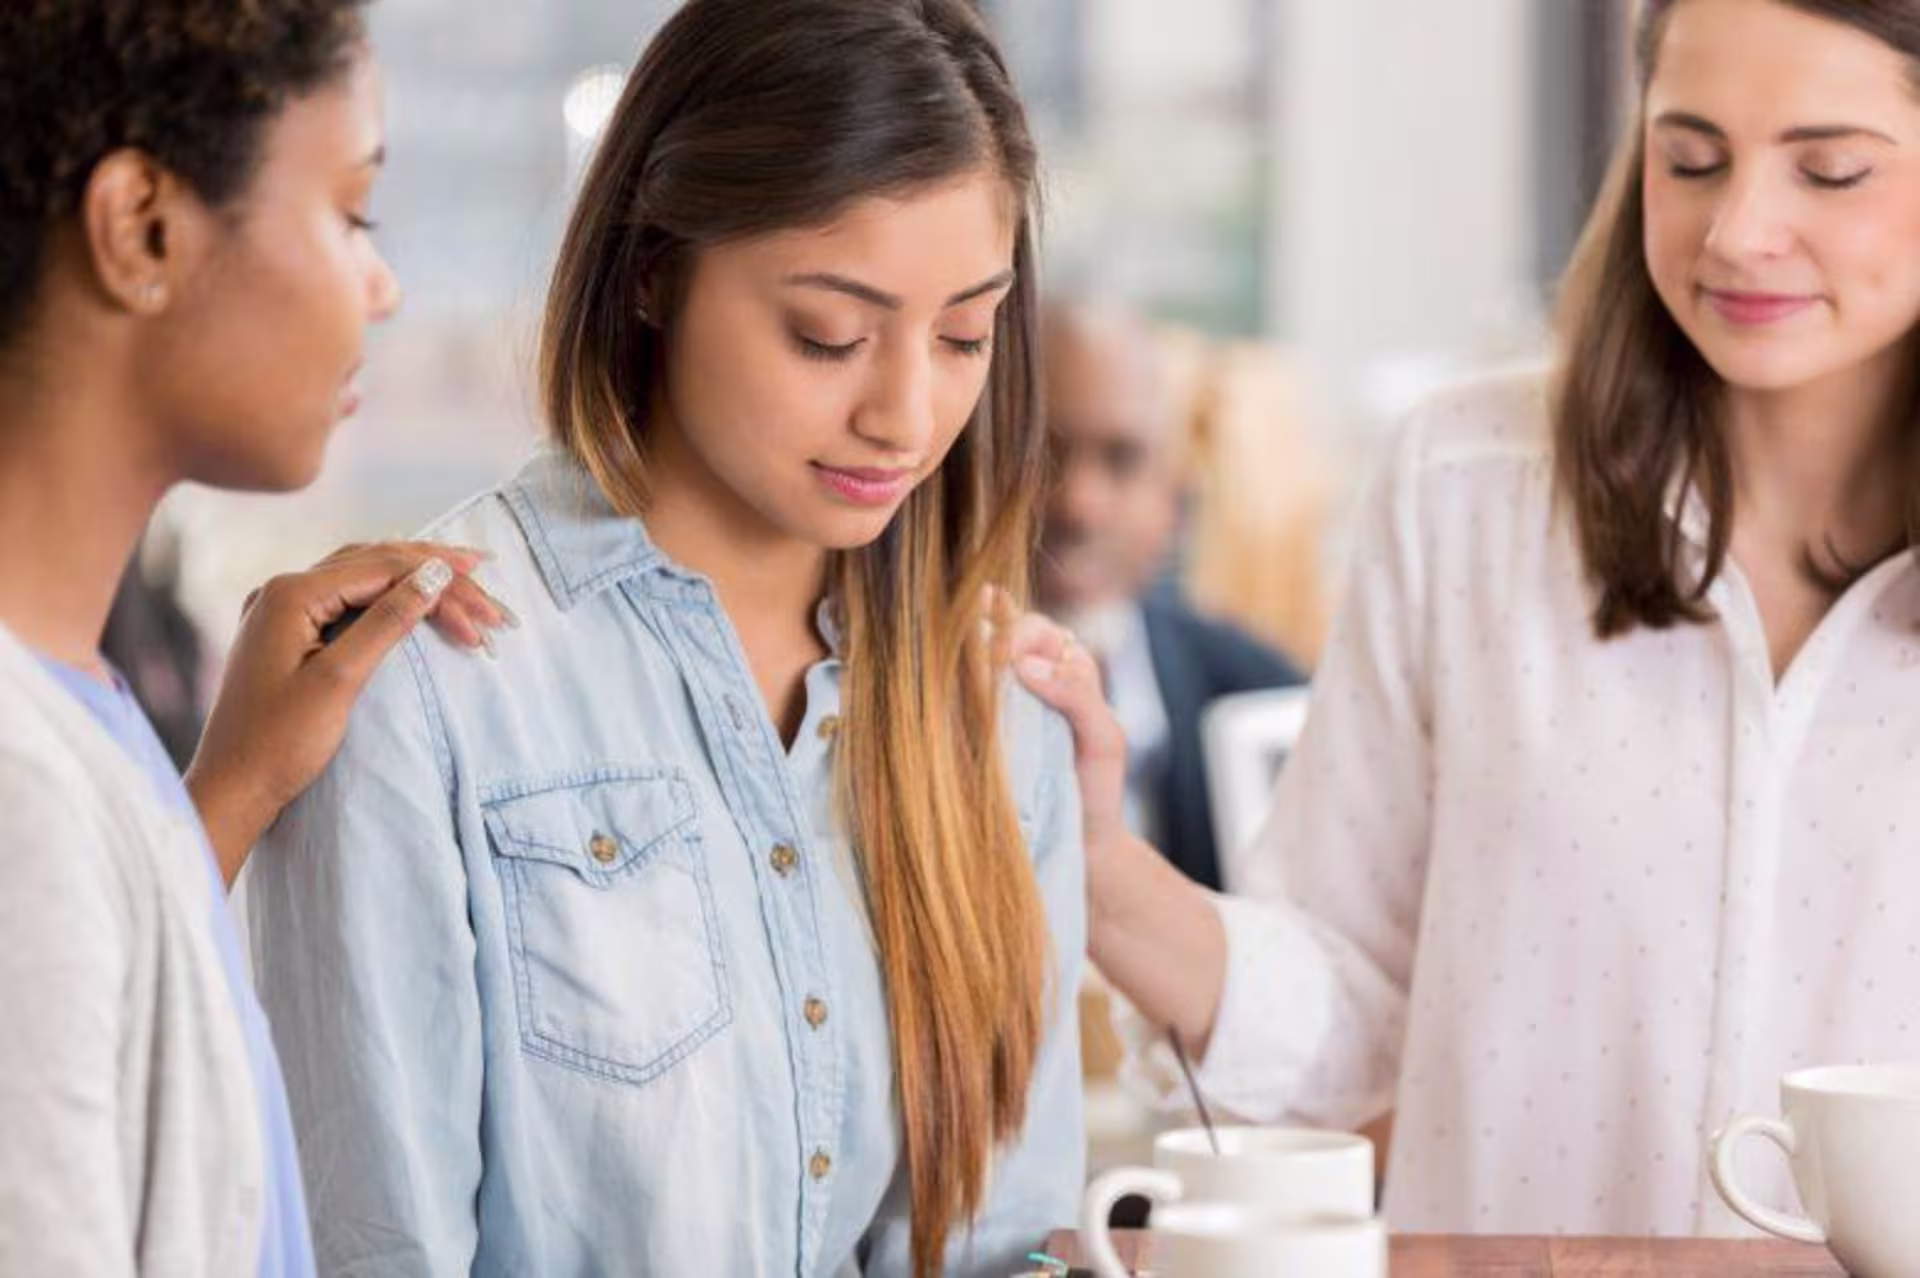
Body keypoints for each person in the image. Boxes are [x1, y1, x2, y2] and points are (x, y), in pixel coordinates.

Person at [1016, 0, 1920, 1238]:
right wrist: (1095, 856)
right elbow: (1341, 1022)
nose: (1738, 231)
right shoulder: (1466, 485)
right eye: (1690, 158)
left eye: (1831, 171)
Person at [245, 2, 1085, 1275]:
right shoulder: (424, 685)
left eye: (965, 335)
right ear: (652, 271)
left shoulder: (994, 707)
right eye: (829, 335)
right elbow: (371, 1246)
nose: (907, 416)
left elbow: (1006, 1238)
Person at [0, 2, 508, 1274]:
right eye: (352, 215)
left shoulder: (72, 716)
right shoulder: (20, 794)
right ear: (144, 229)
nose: (384, 287)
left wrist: (227, 794)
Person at [1037, 301, 1304, 891]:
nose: (1079, 504)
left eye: (1123, 460)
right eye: (1042, 453)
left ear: (1176, 496)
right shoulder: (878, 695)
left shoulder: (1263, 698)